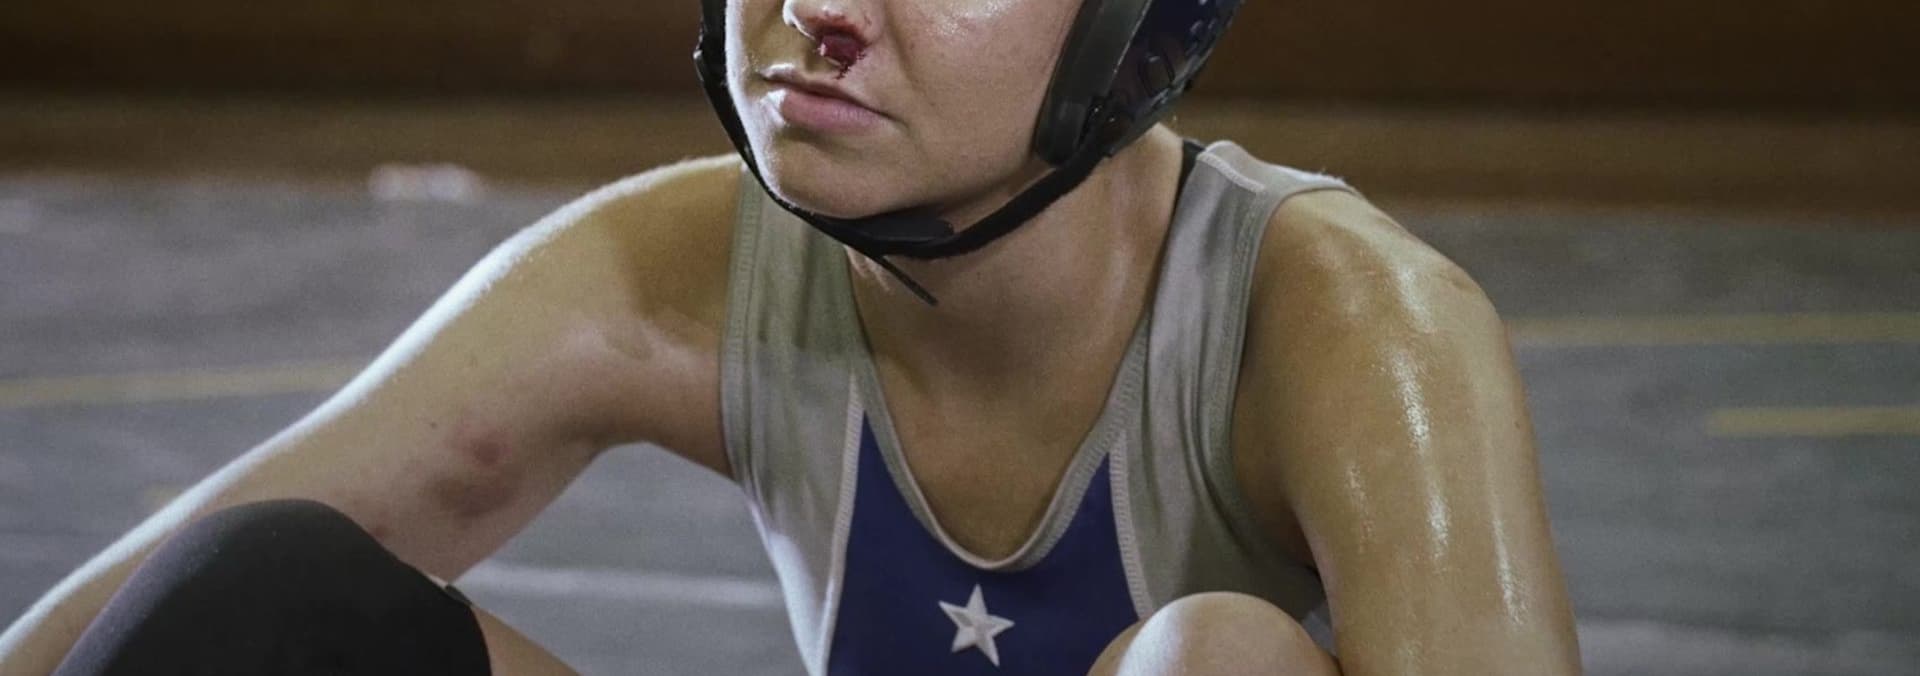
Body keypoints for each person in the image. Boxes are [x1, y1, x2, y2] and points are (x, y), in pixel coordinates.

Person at [0, 0, 1583, 673]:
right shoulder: (666, 266)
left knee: (1215, 661)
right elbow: (102, 640)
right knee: (269, 594)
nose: (822, 8)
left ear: (1131, 27)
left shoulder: (1356, 331)